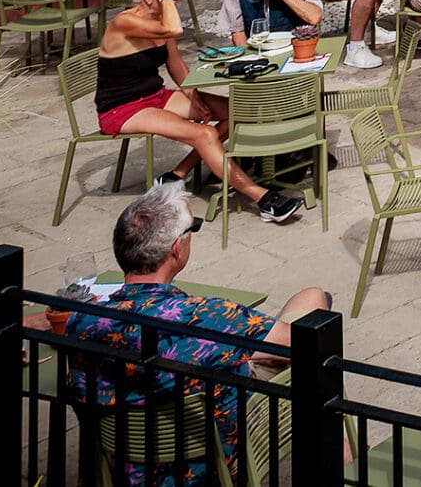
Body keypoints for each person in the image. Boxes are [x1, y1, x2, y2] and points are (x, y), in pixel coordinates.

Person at [54, 187, 332, 487]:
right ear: (177, 248)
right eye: (193, 229)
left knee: (310, 300)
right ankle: (342, 465)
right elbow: (309, 348)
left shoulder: (82, 321)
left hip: (126, 466)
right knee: (316, 326)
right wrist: (245, 351)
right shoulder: (213, 316)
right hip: (217, 466)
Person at [99, 0, 306, 224]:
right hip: (123, 107)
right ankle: (264, 200)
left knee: (241, 110)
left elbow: (175, 63)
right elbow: (174, 30)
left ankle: (176, 175)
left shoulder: (160, 20)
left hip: (155, 95)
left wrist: (193, 94)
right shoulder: (125, 22)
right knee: (205, 133)